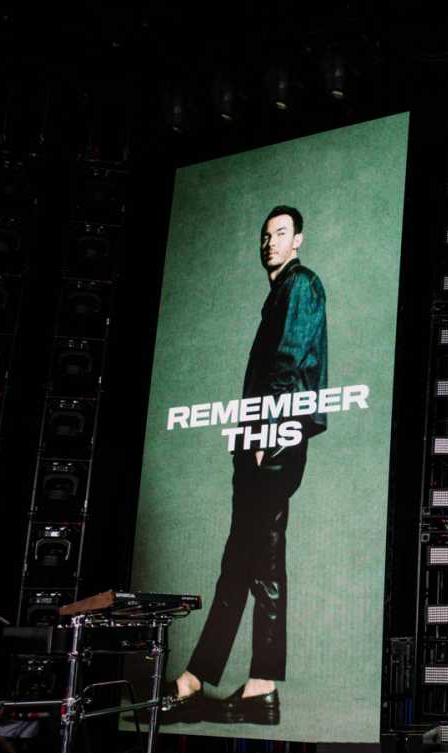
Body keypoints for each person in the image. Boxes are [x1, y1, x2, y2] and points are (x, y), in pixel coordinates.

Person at [172, 205, 328, 725]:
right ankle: (202, 678)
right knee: (244, 557)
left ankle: (255, 683)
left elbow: (289, 359)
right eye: (265, 235)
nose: (270, 242)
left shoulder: (301, 284)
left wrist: (264, 429)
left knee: (259, 560)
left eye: (281, 233)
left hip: (274, 434)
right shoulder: (281, 291)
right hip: (266, 434)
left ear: (298, 240)